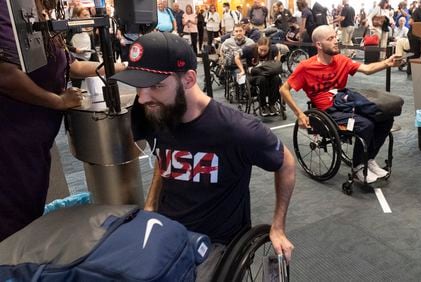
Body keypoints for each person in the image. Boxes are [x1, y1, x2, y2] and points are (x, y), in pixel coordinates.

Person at [109, 32, 295, 281]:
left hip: (215, 244)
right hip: (166, 231)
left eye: (156, 86)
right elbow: (164, 159)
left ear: (188, 79)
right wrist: (151, 205)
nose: (143, 98)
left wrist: (278, 226)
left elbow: (286, 163)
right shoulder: (158, 112)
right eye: (140, 87)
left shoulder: (238, 130)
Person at [0, 0, 126, 242]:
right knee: (13, 221)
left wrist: (119, 67)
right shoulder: (8, 8)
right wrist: (58, 101)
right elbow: (5, 74)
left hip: (35, 142)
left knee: (30, 206)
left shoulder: (39, 12)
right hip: (12, 140)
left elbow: (72, 65)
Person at [279, 25, 398, 184]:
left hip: (345, 102)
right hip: (327, 111)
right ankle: (358, 168)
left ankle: (368, 159)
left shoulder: (341, 60)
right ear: (319, 45)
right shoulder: (306, 67)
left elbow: (367, 69)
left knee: (385, 118)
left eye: (336, 37)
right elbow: (283, 89)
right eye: (330, 39)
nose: (336, 41)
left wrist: (386, 63)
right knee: (366, 125)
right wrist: (300, 114)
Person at [235, 37, 282, 116]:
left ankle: (272, 104)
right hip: (254, 75)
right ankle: (263, 105)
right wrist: (242, 70)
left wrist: (276, 64)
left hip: (268, 73)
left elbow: (278, 54)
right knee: (262, 79)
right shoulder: (249, 49)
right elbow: (237, 57)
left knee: (276, 79)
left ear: (269, 48)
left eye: (265, 50)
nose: (263, 53)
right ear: (257, 46)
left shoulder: (273, 49)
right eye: (261, 50)